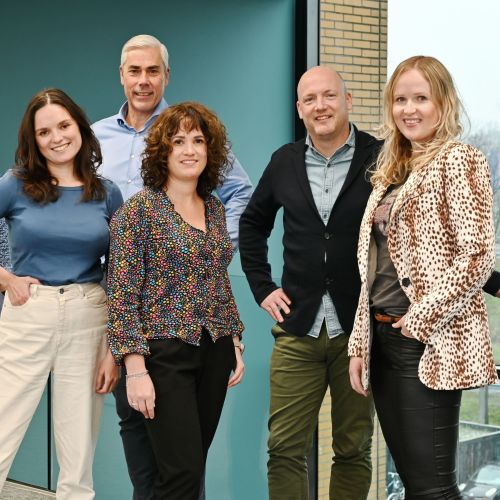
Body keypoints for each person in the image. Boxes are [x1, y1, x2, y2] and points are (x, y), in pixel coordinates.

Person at [91, 34, 252, 500]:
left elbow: (215, 279)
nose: (189, 149)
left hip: (213, 349)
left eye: (198, 141)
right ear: (162, 151)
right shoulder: (138, 211)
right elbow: (123, 294)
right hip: (160, 350)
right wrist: (135, 367)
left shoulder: (214, 210)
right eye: (179, 141)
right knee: (175, 473)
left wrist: (232, 337)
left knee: (188, 467)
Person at [348, 55, 498, 499]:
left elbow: (477, 256)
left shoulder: (459, 160)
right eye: (400, 99)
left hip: (427, 342)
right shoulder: (393, 170)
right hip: (383, 338)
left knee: (434, 490)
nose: (409, 109)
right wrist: (359, 344)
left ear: (443, 103)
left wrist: (419, 320)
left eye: (420, 98)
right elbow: (374, 268)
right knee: (416, 486)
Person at [239, 65, 379, 500]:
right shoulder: (284, 161)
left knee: (353, 448)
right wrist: (262, 287)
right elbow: (253, 224)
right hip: (298, 329)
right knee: (283, 448)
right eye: (310, 99)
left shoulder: (381, 158)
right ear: (299, 109)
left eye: (329, 96)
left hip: (359, 332)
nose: (321, 106)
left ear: (347, 100)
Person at [0, 88, 123, 499]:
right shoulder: (15, 185)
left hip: (89, 316)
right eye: (44, 132)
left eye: (64, 125)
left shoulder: (107, 193)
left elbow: (121, 274)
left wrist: (113, 350)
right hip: (28, 314)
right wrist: (6, 279)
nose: (57, 138)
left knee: (78, 451)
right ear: (33, 140)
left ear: (80, 128)